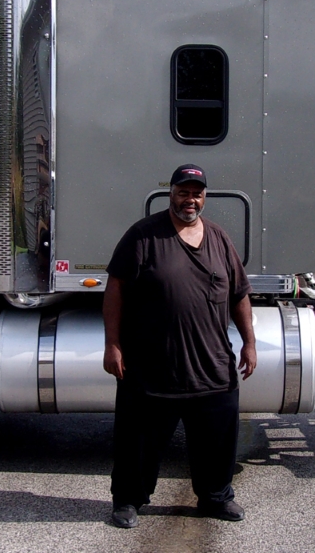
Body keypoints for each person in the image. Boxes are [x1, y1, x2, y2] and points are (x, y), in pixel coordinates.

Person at [103, 164, 257, 529]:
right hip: (151, 366)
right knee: (138, 442)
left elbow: (239, 295)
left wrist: (249, 342)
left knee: (217, 441)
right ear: (170, 192)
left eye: (197, 193)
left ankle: (216, 497)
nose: (191, 199)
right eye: (183, 192)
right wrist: (112, 344)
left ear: (205, 197)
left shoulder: (219, 238)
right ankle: (127, 500)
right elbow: (116, 290)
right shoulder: (143, 236)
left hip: (212, 365)